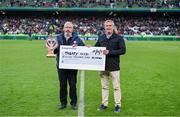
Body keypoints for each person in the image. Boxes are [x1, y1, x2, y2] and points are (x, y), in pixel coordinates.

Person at [95, 20, 126, 113]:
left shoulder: (119, 38)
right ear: (104, 27)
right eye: (106, 25)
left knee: (116, 87)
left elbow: (123, 50)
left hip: (114, 66)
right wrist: (89, 48)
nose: (108, 27)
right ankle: (104, 104)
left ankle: (118, 105)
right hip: (102, 66)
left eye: (110, 25)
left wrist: (110, 52)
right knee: (104, 87)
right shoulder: (101, 37)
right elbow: (95, 48)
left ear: (113, 27)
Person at [52, 21, 85, 110]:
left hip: (72, 67)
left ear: (72, 29)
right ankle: (63, 103)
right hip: (61, 66)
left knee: (72, 85)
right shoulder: (58, 38)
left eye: (69, 27)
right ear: (63, 28)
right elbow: (53, 51)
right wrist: (54, 48)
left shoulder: (77, 38)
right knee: (62, 85)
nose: (68, 29)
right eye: (66, 27)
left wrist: (77, 46)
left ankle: (73, 103)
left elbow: (83, 48)